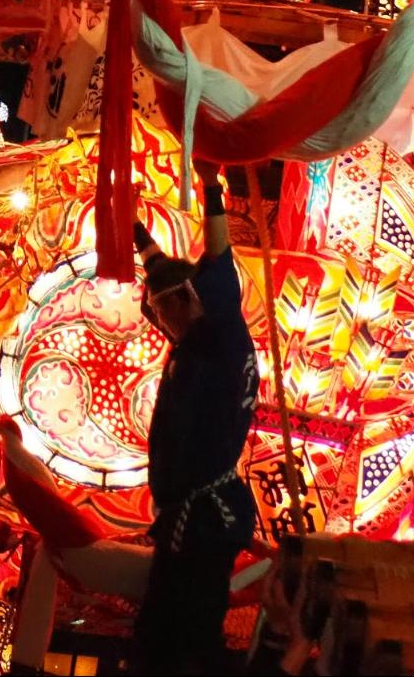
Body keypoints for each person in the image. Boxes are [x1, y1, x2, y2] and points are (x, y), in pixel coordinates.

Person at [131, 166, 260, 674]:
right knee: (161, 631)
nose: (157, 322)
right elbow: (164, 268)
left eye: (160, 311)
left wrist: (212, 191)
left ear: (186, 302)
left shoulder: (221, 337)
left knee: (184, 639)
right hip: (191, 512)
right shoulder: (196, 340)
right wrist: (136, 232)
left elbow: (219, 261)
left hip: (206, 517)